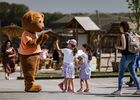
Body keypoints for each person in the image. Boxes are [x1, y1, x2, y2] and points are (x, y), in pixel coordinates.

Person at [112, 21, 140, 95]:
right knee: (133, 73)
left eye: (120, 27)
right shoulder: (132, 34)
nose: (119, 28)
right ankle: (139, 89)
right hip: (134, 55)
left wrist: (117, 47)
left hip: (126, 56)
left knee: (121, 73)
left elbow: (124, 47)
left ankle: (119, 90)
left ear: (122, 27)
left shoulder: (123, 35)